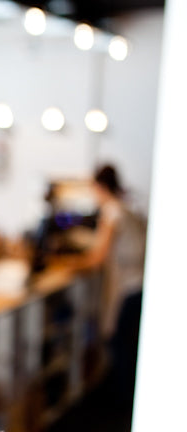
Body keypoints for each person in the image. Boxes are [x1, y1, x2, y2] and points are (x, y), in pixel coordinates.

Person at [77, 163, 147, 399]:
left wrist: (71, 264)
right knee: (127, 341)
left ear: (100, 186)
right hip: (138, 284)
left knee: (120, 342)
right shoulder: (126, 208)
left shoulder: (112, 211)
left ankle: (122, 401)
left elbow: (98, 257)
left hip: (129, 286)